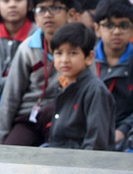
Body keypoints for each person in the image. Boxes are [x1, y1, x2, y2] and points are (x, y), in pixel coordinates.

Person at [0, 0, 77, 146]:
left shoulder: (81, 47)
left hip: (70, 117)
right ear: (35, 15)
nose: (47, 15)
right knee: (11, 154)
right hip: (30, 116)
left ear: (70, 14)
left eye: (55, 8)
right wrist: (0, 139)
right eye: (41, 9)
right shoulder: (28, 48)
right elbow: (11, 95)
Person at [91, 0, 133, 150]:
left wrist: (122, 131)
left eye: (123, 26)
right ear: (97, 29)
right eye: (109, 25)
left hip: (126, 133)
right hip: (89, 127)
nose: (116, 31)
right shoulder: (86, 60)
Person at [47, 22, 115, 150]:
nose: (64, 60)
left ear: (89, 57)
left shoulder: (95, 91)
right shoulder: (61, 85)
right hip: (59, 157)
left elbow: (96, 143)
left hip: (81, 163)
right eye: (59, 53)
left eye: (73, 53)